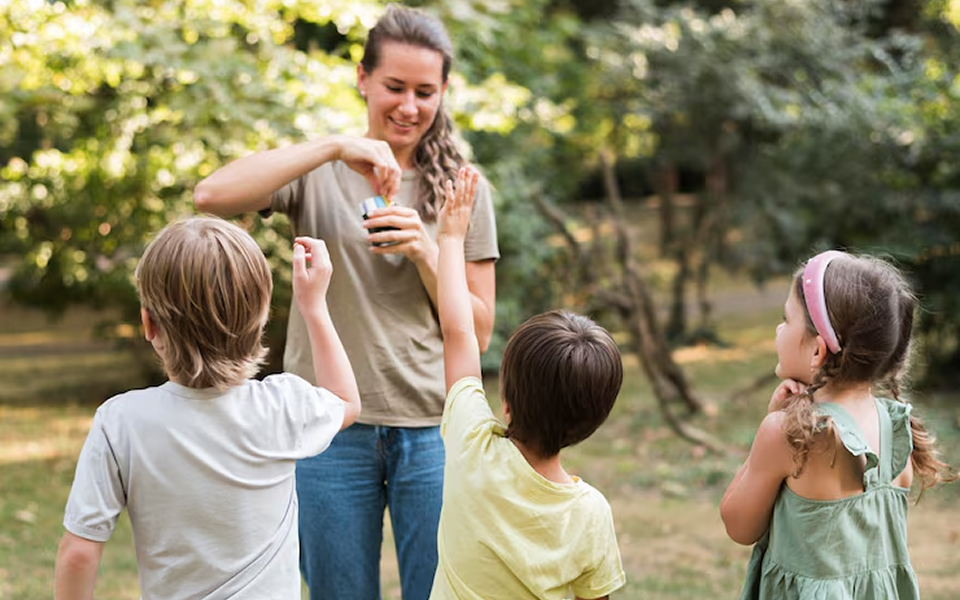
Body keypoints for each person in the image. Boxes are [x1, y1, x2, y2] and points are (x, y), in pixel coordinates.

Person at [192, 5, 499, 599]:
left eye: (425, 91)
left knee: (440, 592)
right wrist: (334, 146)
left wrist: (425, 252)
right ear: (363, 78)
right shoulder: (319, 172)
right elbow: (211, 195)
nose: (409, 106)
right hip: (327, 428)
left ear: (443, 93)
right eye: (394, 87)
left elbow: (480, 332)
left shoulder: (462, 189)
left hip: (432, 429)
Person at [53, 216, 361, 599]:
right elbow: (346, 401)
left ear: (149, 325)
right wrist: (313, 306)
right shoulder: (284, 406)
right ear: (260, 322)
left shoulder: (121, 422)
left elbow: (79, 552)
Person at [431, 166, 625, 600]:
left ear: (506, 399)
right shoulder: (590, 512)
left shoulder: (471, 445)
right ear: (593, 421)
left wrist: (449, 238)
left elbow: (458, 333)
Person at [720, 250, 957, 599]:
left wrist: (768, 423)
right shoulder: (897, 429)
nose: (777, 328)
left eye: (786, 319)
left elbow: (738, 525)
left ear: (817, 352)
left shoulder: (786, 434)